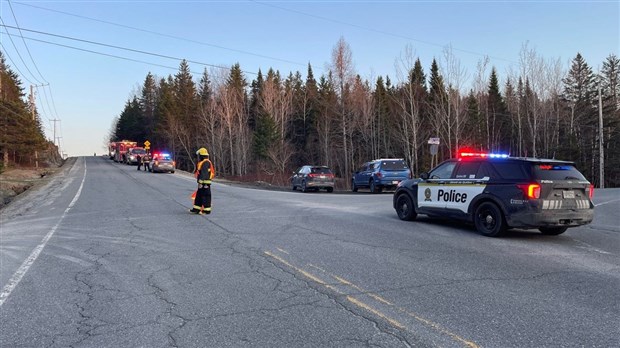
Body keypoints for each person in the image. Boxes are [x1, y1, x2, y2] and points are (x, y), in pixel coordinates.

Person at [190, 147, 215, 215]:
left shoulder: (206, 162)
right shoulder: (204, 162)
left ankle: (207, 210)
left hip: (205, 183)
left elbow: (204, 173)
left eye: (199, 156)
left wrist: (200, 182)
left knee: (205, 196)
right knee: (199, 196)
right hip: (203, 182)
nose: (199, 157)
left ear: (201, 155)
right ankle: (196, 209)